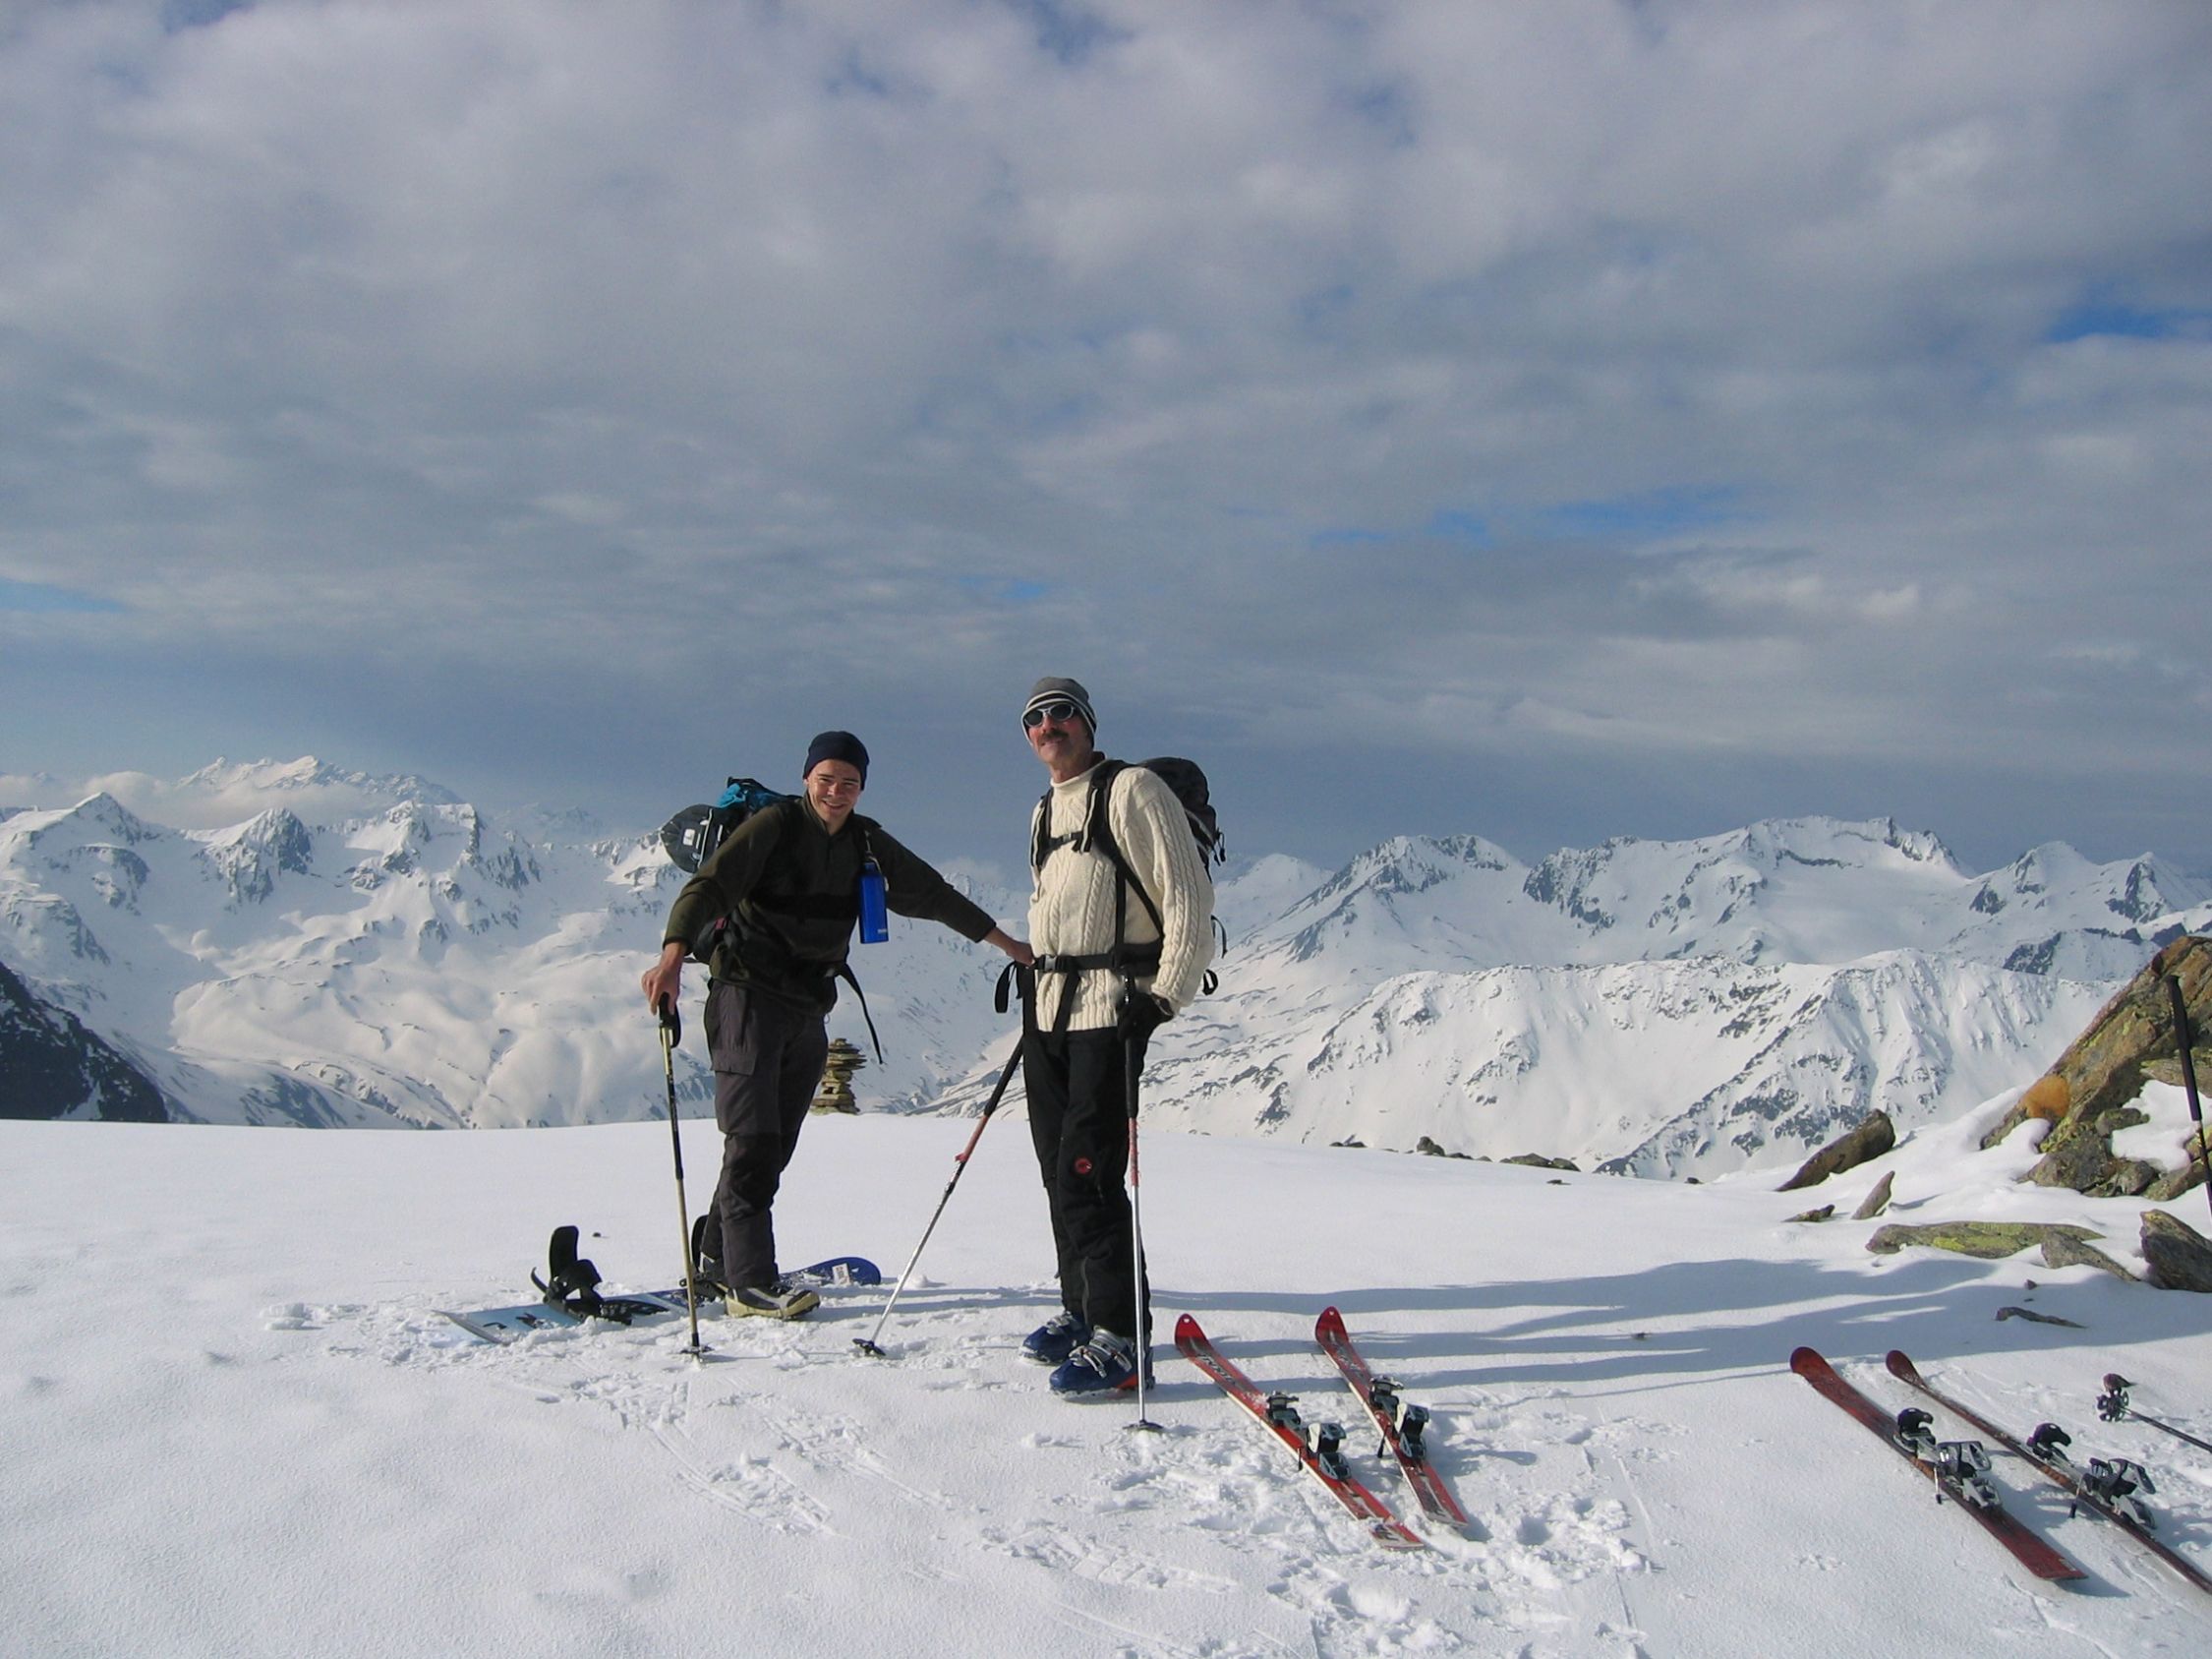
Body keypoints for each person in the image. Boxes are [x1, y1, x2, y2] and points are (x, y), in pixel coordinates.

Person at [642, 731, 1030, 1318]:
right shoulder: (773, 828)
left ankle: (719, 1255)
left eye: (849, 782)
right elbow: (710, 886)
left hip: (806, 1007)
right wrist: (671, 957)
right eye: (827, 779)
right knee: (751, 1140)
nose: (837, 791)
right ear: (806, 780)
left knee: (775, 1146)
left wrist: (1008, 945)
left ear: (861, 787)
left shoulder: (866, 842)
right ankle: (749, 1283)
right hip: (744, 997)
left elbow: (931, 895)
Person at [1017, 678, 1214, 1392]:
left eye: (1061, 712)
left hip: (1111, 1010)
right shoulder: (1044, 811)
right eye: (1035, 718)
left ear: (1088, 723)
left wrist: (1163, 995)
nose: (1048, 725)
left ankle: (1124, 1336)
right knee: (1055, 1167)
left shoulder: (1132, 791)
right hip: (1049, 1013)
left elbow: (1188, 892)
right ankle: (1082, 1308)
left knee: (1087, 1176)